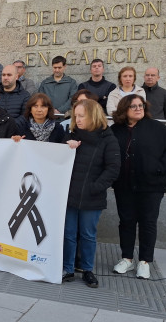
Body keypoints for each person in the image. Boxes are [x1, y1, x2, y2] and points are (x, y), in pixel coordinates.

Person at [111, 95, 166, 279]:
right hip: (124, 184)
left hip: (151, 186)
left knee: (148, 222)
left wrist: (158, 168)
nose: (138, 109)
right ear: (124, 110)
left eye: (140, 105)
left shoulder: (157, 128)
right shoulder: (115, 130)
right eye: (133, 106)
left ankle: (144, 262)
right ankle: (127, 259)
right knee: (126, 221)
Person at [62, 99, 121, 288]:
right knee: (69, 233)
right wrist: (66, 147)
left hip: (92, 196)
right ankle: (67, 268)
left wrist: (95, 187)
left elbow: (113, 168)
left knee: (88, 234)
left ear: (93, 115)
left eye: (81, 116)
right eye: (75, 116)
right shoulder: (71, 136)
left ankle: (87, 269)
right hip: (70, 195)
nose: (77, 120)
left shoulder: (108, 139)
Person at [0, 64, 30, 129]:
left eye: (9, 75)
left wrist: (9, 125)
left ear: (16, 77)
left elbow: (25, 116)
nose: (5, 77)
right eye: (3, 75)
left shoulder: (25, 95)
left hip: (16, 134)